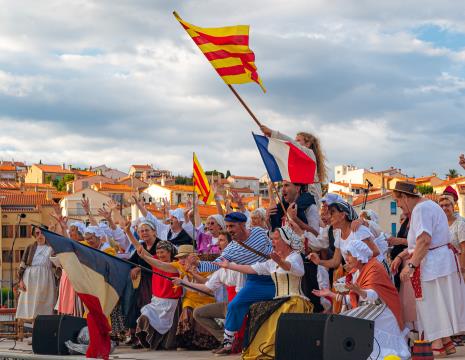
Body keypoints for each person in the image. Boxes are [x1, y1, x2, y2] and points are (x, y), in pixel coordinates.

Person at [390, 181, 465, 357]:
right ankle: (446, 343)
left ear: (405, 197)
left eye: (398, 201)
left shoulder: (421, 210)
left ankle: (437, 345)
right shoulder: (428, 206)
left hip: (434, 265)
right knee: (437, 302)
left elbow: (424, 240)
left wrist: (411, 265)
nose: (399, 205)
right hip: (439, 262)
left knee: (432, 304)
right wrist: (404, 256)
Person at [218, 226, 312, 359]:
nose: (272, 242)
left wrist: (281, 262)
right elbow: (252, 268)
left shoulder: (295, 257)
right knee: (257, 311)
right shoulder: (272, 262)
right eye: (272, 239)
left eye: (276, 239)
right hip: (279, 301)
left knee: (276, 318)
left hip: (294, 302)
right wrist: (229, 266)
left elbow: (297, 271)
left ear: (286, 241)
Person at [313, 241, 410, 359]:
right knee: (345, 319)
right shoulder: (358, 271)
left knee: (350, 321)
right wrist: (330, 294)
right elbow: (354, 299)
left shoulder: (374, 268)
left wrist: (359, 291)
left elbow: (374, 296)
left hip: (383, 310)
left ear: (359, 255)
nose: (347, 259)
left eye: (350, 255)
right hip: (370, 309)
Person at [214, 212, 275, 355]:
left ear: (242, 225)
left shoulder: (259, 232)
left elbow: (276, 241)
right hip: (255, 281)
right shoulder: (231, 248)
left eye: (232, 226)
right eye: (227, 226)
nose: (229, 230)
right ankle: (228, 343)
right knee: (234, 305)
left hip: (278, 277)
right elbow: (216, 264)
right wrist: (197, 265)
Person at [138, 244, 219, 350]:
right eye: (180, 258)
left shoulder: (206, 266)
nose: (181, 260)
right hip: (190, 298)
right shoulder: (179, 265)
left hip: (207, 298)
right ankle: (189, 343)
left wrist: (194, 274)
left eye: (184, 257)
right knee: (187, 309)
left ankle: (207, 342)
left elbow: (208, 285)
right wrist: (144, 257)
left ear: (193, 256)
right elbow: (161, 265)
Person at [173, 231, 245, 346]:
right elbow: (207, 286)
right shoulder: (221, 269)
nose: (218, 244)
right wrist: (183, 282)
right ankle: (225, 341)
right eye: (218, 241)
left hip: (241, 304)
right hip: (228, 305)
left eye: (221, 240)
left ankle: (231, 342)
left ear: (232, 244)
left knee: (232, 308)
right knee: (198, 313)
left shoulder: (241, 262)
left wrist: (196, 263)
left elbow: (209, 269)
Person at [134, 240, 182, 350]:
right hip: (156, 301)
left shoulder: (176, 265)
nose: (160, 255)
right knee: (145, 316)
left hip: (171, 302)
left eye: (162, 252)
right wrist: (128, 232)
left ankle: (163, 343)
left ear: (169, 252)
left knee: (167, 335)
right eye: (158, 252)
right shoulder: (155, 260)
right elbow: (140, 248)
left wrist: (144, 258)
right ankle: (147, 340)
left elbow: (160, 264)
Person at [259, 125, 326, 202]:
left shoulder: (309, 153)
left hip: (311, 196)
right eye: (295, 140)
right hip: (301, 195)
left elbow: (292, 144)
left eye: (298, 140)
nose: (295, 142)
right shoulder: (297, 160)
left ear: (308, 144)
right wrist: (272, 139)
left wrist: (273, 133)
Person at [123, 219, 160, 348]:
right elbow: (131, 261)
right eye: (141, 231)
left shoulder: (160, 245)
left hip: (155, 281)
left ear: (154, 231)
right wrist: (134, 267)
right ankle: (135, 333)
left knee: (146, 306)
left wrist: (140, 268)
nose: (144, 233)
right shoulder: (142, 245)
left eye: (146, 230)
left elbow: (157, 262)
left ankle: (146, 335)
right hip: (142, 282)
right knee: (135, 304)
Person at [16, 227, 57, 322]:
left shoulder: (51, 248)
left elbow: (57, 263)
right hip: (30, 279)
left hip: (45, 279)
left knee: (44, 307)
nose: (40, 236)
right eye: (37, 233)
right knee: (31, 307)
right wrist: (21, 281)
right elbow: (22, 264)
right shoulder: (30, 247)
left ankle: (42, 332)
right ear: (34, 235)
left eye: (42, 233)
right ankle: (34, 331)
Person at [439, 186, 465, 274]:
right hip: (444, 266)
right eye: (441, 206)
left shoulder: (460, 223)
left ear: (453, 206)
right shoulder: (439, 224)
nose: (444, 208)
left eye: (447, 205)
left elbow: (463, 248)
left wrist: (462, 269)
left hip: (457, 265)